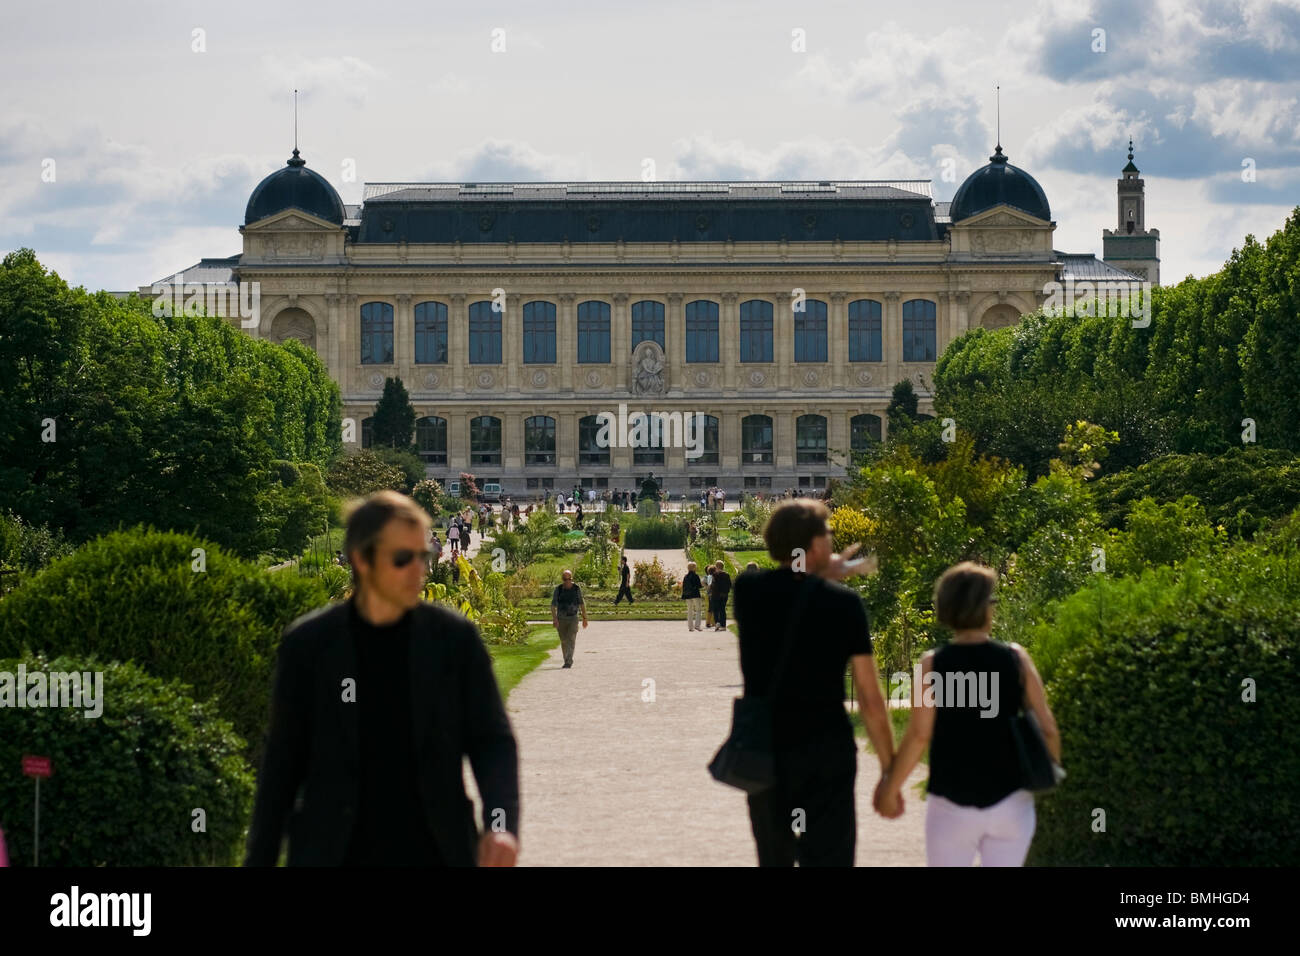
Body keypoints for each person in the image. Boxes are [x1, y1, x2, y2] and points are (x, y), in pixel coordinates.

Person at [244, 490, 520, 867]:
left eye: (422, 557)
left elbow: (492, 741)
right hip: (334, 852)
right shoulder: (309, 646)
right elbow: (282, 765)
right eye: (402, 559)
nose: (419, 570)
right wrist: (260, 858)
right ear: (362, 559)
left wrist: (500, 824)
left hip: (435, 849)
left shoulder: (454, 641)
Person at [732, 498, 894, 867]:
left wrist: (819, 570)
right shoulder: (844, 605)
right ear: (817, 544)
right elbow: (869, 699)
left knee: (775, 859)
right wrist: (888, 771)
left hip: (765, 749)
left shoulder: (749, 591)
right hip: (825, 750)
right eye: (829, 535)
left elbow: (788, 586)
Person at [875, 562, 1060, 867]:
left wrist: (890, 788)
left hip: (951, 801)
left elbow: (919, 735)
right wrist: (1047, 777)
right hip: (1011, 800)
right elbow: (1048, 728)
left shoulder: (932, 665)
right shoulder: (1015, 658)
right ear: (986, 609)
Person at [550, 570, 588, 669]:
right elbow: (553, 605)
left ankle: (568, 661)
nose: (567, 581)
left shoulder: (576, 589)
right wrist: (555, 619)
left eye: (569, 579)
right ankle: (566, 659)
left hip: (573, 618)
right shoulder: (558, 589)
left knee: (571, 639)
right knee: (563, 641)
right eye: (565, 579)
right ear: (562, 579)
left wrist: (584, 618)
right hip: (561, 618)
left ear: (572, 578)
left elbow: (581, 603)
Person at [680, 561, 704, 631]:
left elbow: (684, 586)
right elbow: (699, 586)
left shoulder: (686, 576)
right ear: (694, 568)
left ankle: (690, 627)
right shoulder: (696, 576)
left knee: (690, 611)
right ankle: (697, 625)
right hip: (695, 594)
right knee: (698, 610)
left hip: (687, 595)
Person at [709, 560, 732, 631]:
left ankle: (717, 622)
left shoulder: (714, 575)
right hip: (724, 595)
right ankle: (723, 625)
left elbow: (712, 585)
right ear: (723, 567)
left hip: (715, 595)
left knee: (715, 609)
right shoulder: (727, 575)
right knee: (722, 609)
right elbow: (729, 585)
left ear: (716, 567)